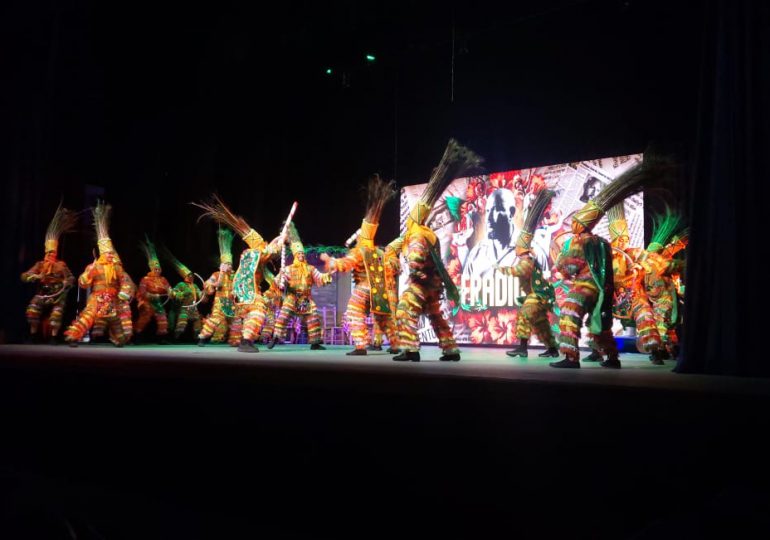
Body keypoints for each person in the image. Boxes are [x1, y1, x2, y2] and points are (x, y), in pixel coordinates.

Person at [393, 139, 482, 362]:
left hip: (421, 284)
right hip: (433, 285)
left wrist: (414, 273)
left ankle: (410, 349)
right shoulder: (428, 233)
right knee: (436, 316)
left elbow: (415, 259)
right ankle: (451, 350)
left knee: (405, 310)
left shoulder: (417, 234)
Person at [193, 195, 284, 352]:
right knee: (255, 311)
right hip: (242, 295)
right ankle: (239, 340)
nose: (264, 245)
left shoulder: (256, 258)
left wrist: (277, 242)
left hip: (240, 297)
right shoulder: (250, 254)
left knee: (252, 314)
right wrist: (277, 244)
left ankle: (244, 340)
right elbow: (266, 253)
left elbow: (268, 255)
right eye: (262, 244)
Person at [322, 174, 399, 356]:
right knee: (383, 317)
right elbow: (389, 270)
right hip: (380, 290)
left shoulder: (360, 250)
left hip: (365, 288)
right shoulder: (378, 252)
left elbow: (346, 264)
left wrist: (330, 261)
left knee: (353, 311)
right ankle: (396, 345)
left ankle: (360, 346)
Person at [497, 189, 559, 358]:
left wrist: (501, 269)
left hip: (538, 295)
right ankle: (553, 349)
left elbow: (519, 271)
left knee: (524, 315)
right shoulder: (528, 259)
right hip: (540, 295)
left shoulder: (527, 261)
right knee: (541, 323)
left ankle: (522, 349)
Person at [64, 201, 135, 347]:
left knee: (115, 320)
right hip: (97, 297)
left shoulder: (116, 267)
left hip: (114, 298)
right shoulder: (94, 266)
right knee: (88, 316)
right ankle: (72, 336)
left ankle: (120, 339)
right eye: (107, 253)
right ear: (102, 253)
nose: (110, 255)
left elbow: (125, 281)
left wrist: (124, 292)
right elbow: (83, 282)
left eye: (111, 253)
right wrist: (89, 273)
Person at [270, 224, 332, 350]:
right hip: (292, 298)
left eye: (302, 254)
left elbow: (320, 277)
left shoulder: (310, 269)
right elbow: (277, 282)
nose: (301, 256)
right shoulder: (288, 269)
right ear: (295, 256)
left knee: (313, 316)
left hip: (306, 298)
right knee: (283, 316)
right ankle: (275, 338)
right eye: (298, 254)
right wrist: (282, 278)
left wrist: (329, 274)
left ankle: (315, 343)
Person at [21, 203, 77, 341]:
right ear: (46, 252)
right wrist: (35, 276)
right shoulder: (40, 265)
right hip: (42, 293)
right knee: (32, 311)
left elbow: (71, 279)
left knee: (56, 315)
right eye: (49, 252)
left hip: (58, 293)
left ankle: (54, 336)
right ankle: (33, 335)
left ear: (56, 252)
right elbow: (24, 276)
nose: (51, 255)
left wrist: (66, 283)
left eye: (53, 252)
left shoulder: (61, 265)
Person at [197, 227, 240, 347]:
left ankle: (235, 341)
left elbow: (240, 286)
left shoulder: (235, 276)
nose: (229, 266)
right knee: (214, 319)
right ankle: (202, 338)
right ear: (222, 265)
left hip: (231, 302)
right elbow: (209, 284)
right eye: (227, 264)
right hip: (220, 302)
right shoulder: (216, 274)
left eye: (230, 264)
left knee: (236, 320)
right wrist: (220, 275)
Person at [133, 236, 171, 343]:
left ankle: (162, 338)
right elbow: (142, 292)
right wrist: (151, 296)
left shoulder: (163, 279)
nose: (157, 270)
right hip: (147, 302)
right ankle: (137, 336)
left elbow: (168, 288)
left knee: (162, 318)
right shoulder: (145, 279)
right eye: (155, 269)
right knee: (144, 319)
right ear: (151, 268)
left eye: (159, 268)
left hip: (158, 303)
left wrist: (171, 292)